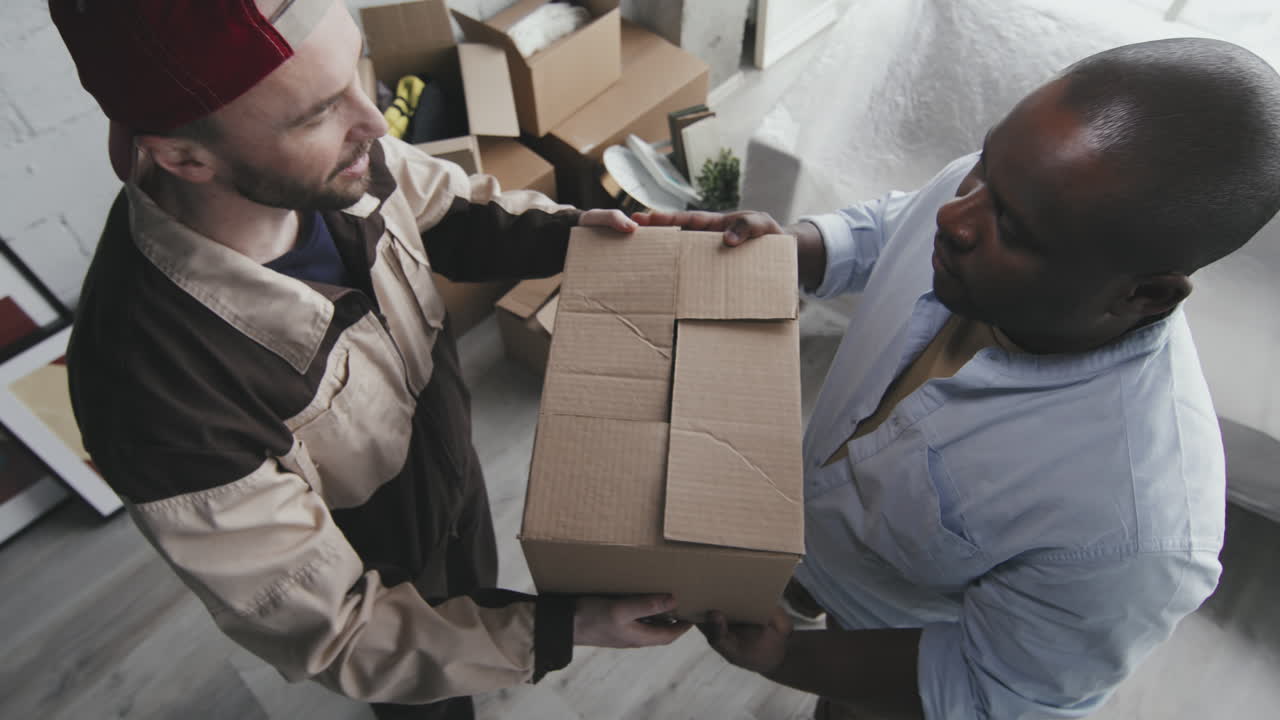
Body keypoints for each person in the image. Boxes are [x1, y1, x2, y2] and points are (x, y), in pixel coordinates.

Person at [51, 2, 687, 719]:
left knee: (469, 601)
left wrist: (587, 236)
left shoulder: (340, 162)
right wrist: (561, 630)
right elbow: (345, 632)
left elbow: (454, 211)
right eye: (317, 112)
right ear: (183, 157)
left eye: (356, 72)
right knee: (430, 702)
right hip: (379, 577)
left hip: (449, 488)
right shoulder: (153, 389)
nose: (377, 122)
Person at [635, 37, 1280, 719]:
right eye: (984, 164)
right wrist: (793, 250)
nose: (956, 214)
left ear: (1144, 297)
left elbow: (983, 685)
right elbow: (898, 225)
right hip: (816, 536)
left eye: (1015, 227)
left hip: (886, 633)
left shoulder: (1132, 531)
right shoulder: (996, 193)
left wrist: (785, 658)